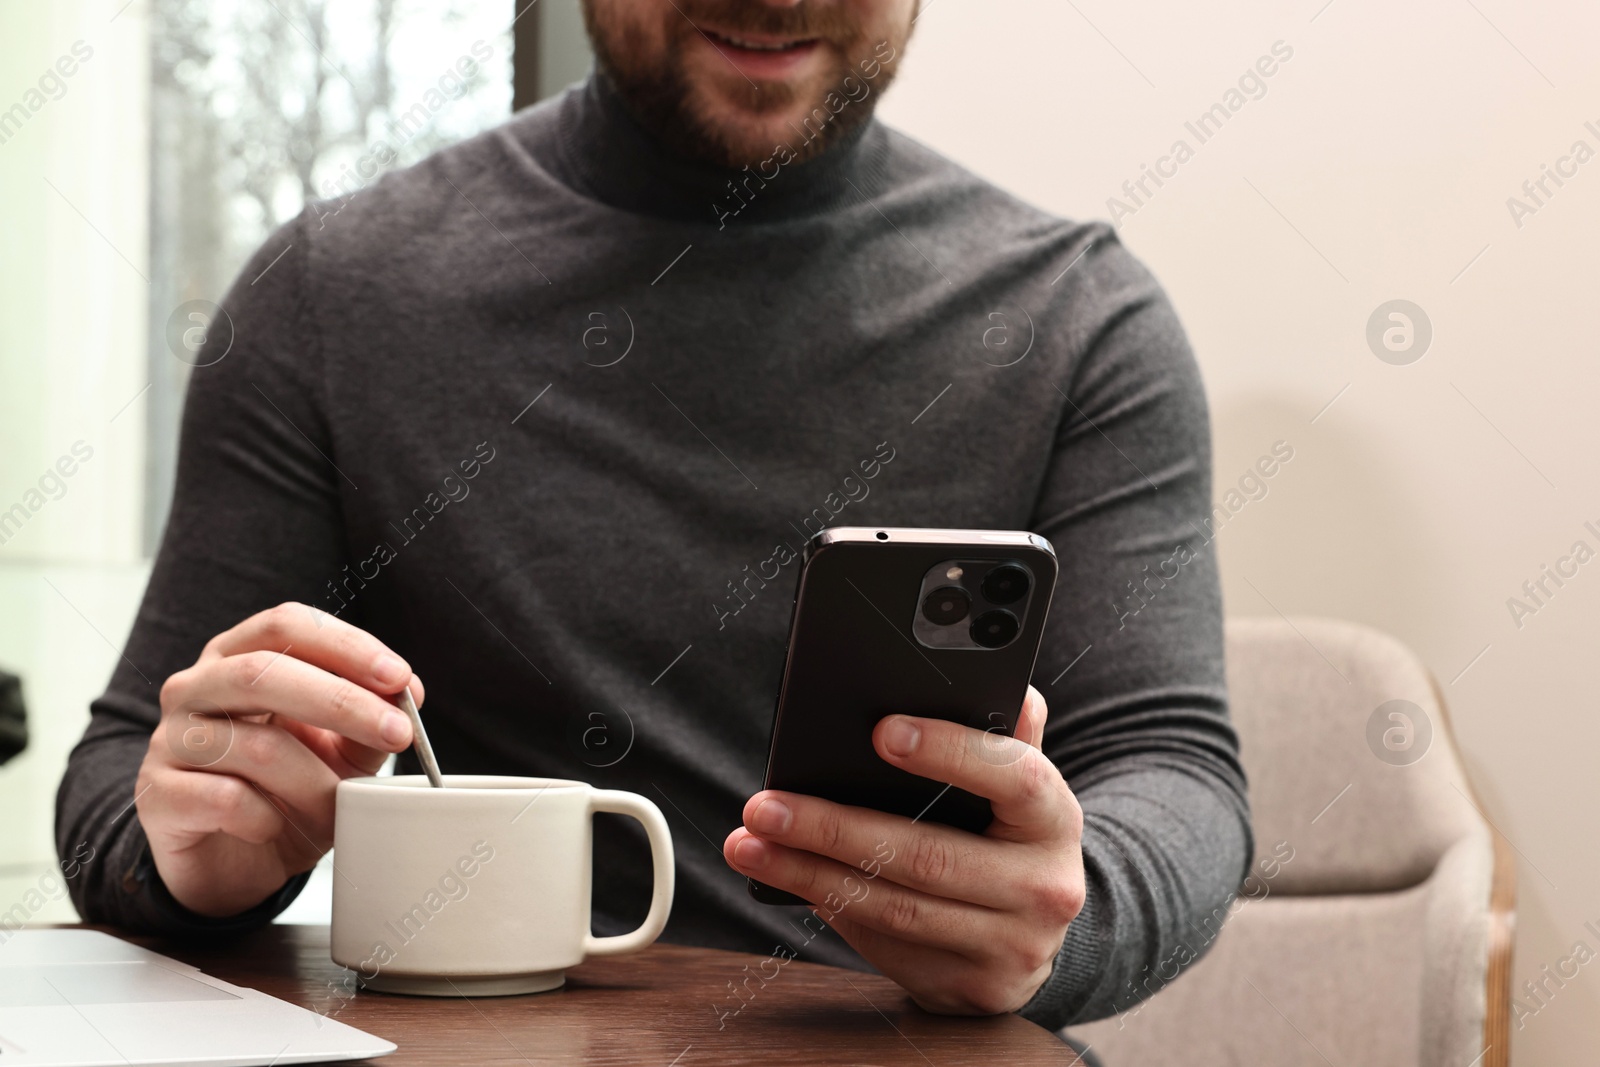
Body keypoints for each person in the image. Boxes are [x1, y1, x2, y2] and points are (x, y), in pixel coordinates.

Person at [57, 0, 1251, 1032]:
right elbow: (124, 772)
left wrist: (1066, 914)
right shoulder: (328, 296)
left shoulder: (1082, 321)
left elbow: (1175, 768)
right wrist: (193, 855)